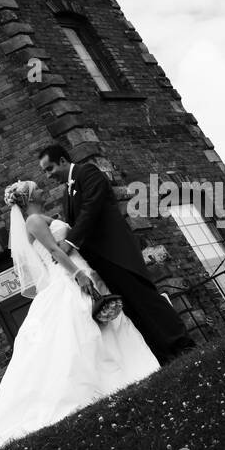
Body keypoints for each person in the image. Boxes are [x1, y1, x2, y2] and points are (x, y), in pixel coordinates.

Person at [0, 179, 158, 450]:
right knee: (79, 333)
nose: (41, 189)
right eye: (35, 188)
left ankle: (123, 370)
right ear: (27, 198)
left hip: (78, 271)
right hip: (68, 277)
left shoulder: (39, 217)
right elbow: (53, 251)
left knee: (95, 327)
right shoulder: (35, 220)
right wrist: (79, 276)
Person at [38, 144, 195, 364]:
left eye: (49, 168)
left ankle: (182, 344)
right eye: (45, 171)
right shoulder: (67, 192)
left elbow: (91, 208)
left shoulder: (88, 172)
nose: (48, 175)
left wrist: (69, 242)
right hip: (100, 260)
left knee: (144, 297)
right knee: (129, 306)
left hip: (116, 251)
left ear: (63, 161)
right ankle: (162, 355)